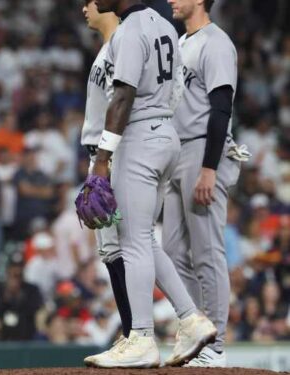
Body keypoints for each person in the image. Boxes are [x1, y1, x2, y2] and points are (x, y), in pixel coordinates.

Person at [83, 0, 216, 368]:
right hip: (165, 133)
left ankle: (141, 335)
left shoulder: (129, 30)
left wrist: (102, 160)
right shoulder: (165, 28)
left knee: (133, 240)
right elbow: (176, 90)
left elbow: (122, 95)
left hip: (138, 134)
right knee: (143, 236)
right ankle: (191, 318)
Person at [165, 0, 247, 367]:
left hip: (202, 149)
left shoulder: (216, 42)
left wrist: (210, 168)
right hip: (174, 150)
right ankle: (198, 335)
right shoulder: (181, 43)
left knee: (207, 251)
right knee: (172, 251)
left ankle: (216, 345)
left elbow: (221, 107)